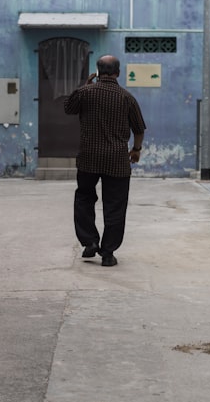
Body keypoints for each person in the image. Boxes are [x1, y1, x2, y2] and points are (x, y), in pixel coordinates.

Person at [63, 54, 147, 267]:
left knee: (84, 198)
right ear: (118, 72)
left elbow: (68, 107)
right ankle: (108, 253)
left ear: (98, 72)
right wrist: (136, 150)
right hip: (117, 161)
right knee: (115, 206)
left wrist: (85, 86)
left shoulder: (85, 92)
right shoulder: (127, 97)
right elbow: (139, 128)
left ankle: (89, 241)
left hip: (88, 159)